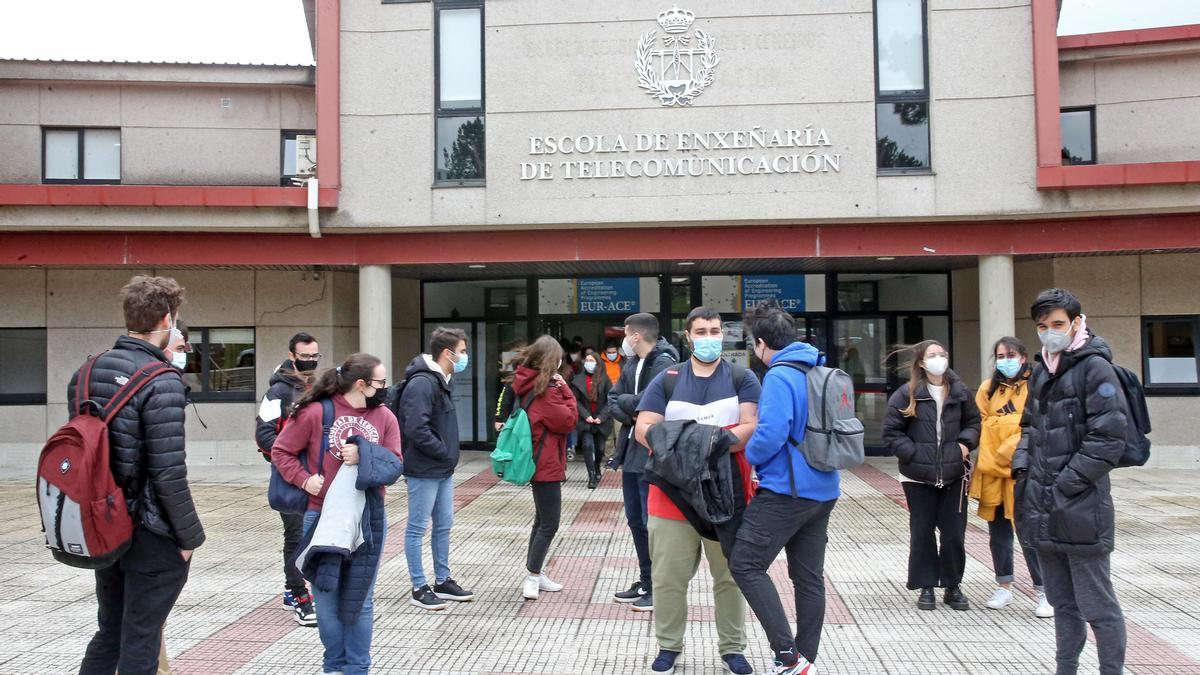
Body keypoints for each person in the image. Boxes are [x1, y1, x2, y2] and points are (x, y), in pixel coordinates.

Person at [73, 276, 204, 675]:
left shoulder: (87, 370)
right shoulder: (162, 381)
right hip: (148, 530)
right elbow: (167, 472)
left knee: (110, 630)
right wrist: (188, 536)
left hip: (100, 520)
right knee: (142, 635)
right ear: (167, 319)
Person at [635, 306, 760, 675]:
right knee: (668, 579)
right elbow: (644, 429)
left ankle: (733, 648)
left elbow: (751, 428)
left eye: (716, 330)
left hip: (727, 497)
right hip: (671, 497)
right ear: (687, 336)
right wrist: (712, 441)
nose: (710, 337)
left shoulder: (743, 378)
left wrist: (685, 441)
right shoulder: (668, 379)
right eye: (702, 331)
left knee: (731, 577)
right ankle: (668, 646)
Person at [1014, 288, 1128, 675]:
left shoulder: (1095, 368)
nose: (1050, 333)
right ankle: (1066, 668)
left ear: (1078, 322)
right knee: (1063, 604)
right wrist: (1022, 469)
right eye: (1043, 326)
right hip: (1042, 503)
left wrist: (1066, 483)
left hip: (1080, 505)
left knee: (1098, 606)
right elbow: (1028, 426)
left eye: (1058, 324)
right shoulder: (1044, 368)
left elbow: (1108, 437)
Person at [272, 353, 402, 675]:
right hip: (321, 518)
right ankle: (334, 665)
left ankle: (357, 668)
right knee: (326, 598)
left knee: (360, 598)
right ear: (361, 384)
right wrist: (304, 480)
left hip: (367, 519)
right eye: (380, 382)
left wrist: (365, 454)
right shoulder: (318, 411)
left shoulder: (385, 417)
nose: (385, 387)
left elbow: (395, 464)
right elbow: (281, 450)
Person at [729, 304, 841, 675]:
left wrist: (753, 455)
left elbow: (771, 433)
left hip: (786, 491)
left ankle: (787, 654)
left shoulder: (779, 375)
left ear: (761, 343)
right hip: (824, 488)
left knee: (745, 563)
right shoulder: (817, 367)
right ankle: (805, 659)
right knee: (808, 577)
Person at [882, 340, 981, 612]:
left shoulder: (960, 392)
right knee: (922, 532)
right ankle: (926, 585)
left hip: (954, 475)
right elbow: (891, 432)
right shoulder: (907, 393)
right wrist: (912, 453)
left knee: (953, 534)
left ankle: (952, 585)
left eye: (942, 354)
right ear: (922, 363)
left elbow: (974, 423)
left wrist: (963, 445)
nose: (939, 359)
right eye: (932, 355)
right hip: (917, 477)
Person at [971, 336, 1053, 618]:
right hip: (993, 473)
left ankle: (1044, 590)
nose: (1005, 360)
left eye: (1010, 354)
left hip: (1025, 470)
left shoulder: (1036, 384)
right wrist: (1006, 429)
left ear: (1022, 356)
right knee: (998, 533)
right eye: (1000, 355)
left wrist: (1003, 434)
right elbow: (980, 424)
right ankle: (1003, 584)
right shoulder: (987, 389)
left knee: (1030, 532)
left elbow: (1035, 427)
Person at [396, 327, 476, 610]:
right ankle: (419, 586)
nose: (465, 356)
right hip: (424, 468)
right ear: (447, 353)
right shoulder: (423, 383)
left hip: (441, 469)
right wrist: (442, 452)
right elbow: (416, 428)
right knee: (417, 528)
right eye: (463, 351)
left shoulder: (441, 380)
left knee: (444, 525)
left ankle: (443, 580)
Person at [606, 312, 679, 612]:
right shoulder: (632, 362)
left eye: (624, 332)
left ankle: (660, 588)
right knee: (636, 522)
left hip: (652, 452)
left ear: (635, 336)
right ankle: (646, 580)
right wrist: (635, 409)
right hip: (630, 453)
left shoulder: (664, 362)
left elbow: (655, 404)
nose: (621, 340)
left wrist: (637, 408)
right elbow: (613, 399)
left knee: (653, 525)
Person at [254, 332, 322, 626]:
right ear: (292, 356)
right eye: (304, 356)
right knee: (295, 537)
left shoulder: (319, 389)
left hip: (318, 479)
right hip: (289, 478)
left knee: (315, 536)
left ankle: (297, 588)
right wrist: (291, 456)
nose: (310, 362)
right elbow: (264, 434)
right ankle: (298, 594)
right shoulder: (277, 393)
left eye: (314, 356)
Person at [511, 336, 579, 599]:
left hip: (539, 460)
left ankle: (535, 572)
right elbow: (568, 420)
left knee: (541, 521)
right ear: (553, 361)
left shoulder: (531, 386)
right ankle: (532, 577)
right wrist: (566, 390)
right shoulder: (546, 391)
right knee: (549, 523)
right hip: (545, 463)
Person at [570, 350, 613, 489]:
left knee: (600, 448)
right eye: (586, 361)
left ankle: (597, 466)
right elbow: (575, 401)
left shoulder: (605, 379)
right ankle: (592, 475)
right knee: (588, 446)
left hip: (601, 420)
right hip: (585, 420)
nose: (589, 363)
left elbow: (610, 400)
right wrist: (586, 416)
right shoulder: (577, 380)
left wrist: (601, 417)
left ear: (598, 363)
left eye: (592, 361)